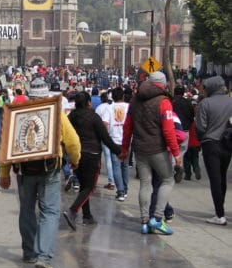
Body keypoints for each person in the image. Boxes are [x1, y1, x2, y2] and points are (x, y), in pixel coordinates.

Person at [0, 77, 81, 268]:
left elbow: (7, 144)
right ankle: (44, 256)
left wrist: (4, 173)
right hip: (50, 170)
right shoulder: (56, 114)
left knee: (26, 210)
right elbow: (73, 141)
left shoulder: (18, 114)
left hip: (24, 171)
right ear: (46, 94)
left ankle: (29, 253)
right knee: (49, 212)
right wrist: (75, 160)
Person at [121, 71, 181, 235]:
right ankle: (157, 218)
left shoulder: (134, 100)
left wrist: (125, 149)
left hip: (140, 149)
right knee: (168, 180)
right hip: (158, 149)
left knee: (145, 184)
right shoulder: (163, 101)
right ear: (163, 84)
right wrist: (176, 153)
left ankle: (144, 221)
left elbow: (127, 127)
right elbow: (169, 130)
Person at [63, 91, 121, 230]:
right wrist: (119, 151)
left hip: (77, 155)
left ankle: (87, 216)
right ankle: (73, 210)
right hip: (92, 154)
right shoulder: (94, 117)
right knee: (90, 187)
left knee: (84, 185)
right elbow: (105, 138)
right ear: (89, 103)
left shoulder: (71, 116)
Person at [195, 76, 232, 225]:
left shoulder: (206, 103)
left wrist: (202, 138)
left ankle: (219, 214)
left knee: (215, 179)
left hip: (210, 143)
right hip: (227, 144)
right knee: (222, 177)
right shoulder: (230, 102)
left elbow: (200, 127)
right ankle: (220, 209)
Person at [100, 87, 130, 201]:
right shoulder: (129, 107)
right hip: (126, 141)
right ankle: (125, 190)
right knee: (125, 166)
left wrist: (106, 137)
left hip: (114, 141)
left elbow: (105, 124)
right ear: (123, 96)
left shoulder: (109, 108)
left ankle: (121, 192)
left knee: (116, 166)